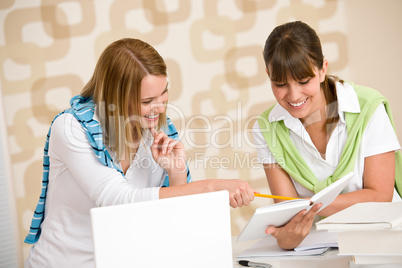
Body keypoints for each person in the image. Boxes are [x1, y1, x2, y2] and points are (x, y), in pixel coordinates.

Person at [24, 38, 255, 267]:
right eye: (147, 101)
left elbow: (171, 218)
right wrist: (211, 187)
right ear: (116, 98)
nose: (160, 107)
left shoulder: (157, 129)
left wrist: (176, 173)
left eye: (164, 93)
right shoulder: (71, 128)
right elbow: (118, 201)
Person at [252, 21, 402, 250]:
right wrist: (286, 239)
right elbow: (291, 216)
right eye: (280, 83)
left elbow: (379, 196)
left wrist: (310, 206)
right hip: (320, 248)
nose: (293, 95)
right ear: (268, 75)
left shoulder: (367, 107)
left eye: (304, 81)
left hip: (384, 240)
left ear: (323, 69)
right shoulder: (266, 128)